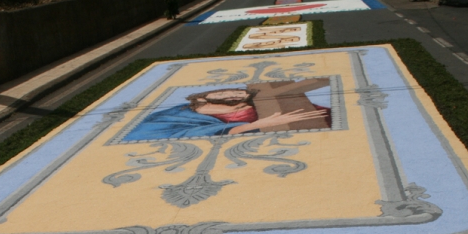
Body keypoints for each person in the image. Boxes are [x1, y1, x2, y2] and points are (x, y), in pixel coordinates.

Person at [123, 85, 331, 141]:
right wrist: (255, 126)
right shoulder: (179, 114)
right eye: (222, 92)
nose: (232, 94)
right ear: (202, 98)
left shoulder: (260, 108)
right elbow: (150, 133)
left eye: (239, 93)